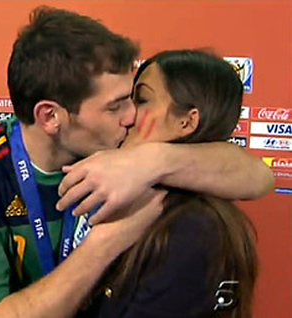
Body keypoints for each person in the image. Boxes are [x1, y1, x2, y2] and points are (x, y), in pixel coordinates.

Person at [0, 6, 272, 318]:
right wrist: (107, 241)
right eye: (115, 106)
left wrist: (153, 160)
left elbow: (257, 176)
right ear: (51, 117)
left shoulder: (117, 152)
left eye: (134, 99)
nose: (131, 116)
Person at [75, 50, 258, 318]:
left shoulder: (192, 230)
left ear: (186, 121)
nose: (127, 115)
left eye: (142, 100)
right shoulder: (136, 197)